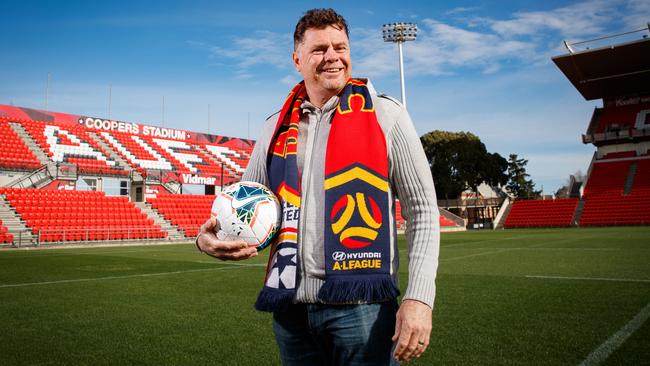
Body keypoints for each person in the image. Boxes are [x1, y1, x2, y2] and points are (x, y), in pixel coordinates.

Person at [196, 8, 439, 365]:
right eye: (319, 49)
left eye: (340, 47)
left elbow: (422, 211)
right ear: (297, 59)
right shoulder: (275, 128)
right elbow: (244, 202)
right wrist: (206, 239)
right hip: (291, 311)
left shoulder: (388, 116)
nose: (333, 57)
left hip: (364, 310)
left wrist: (419, 298)